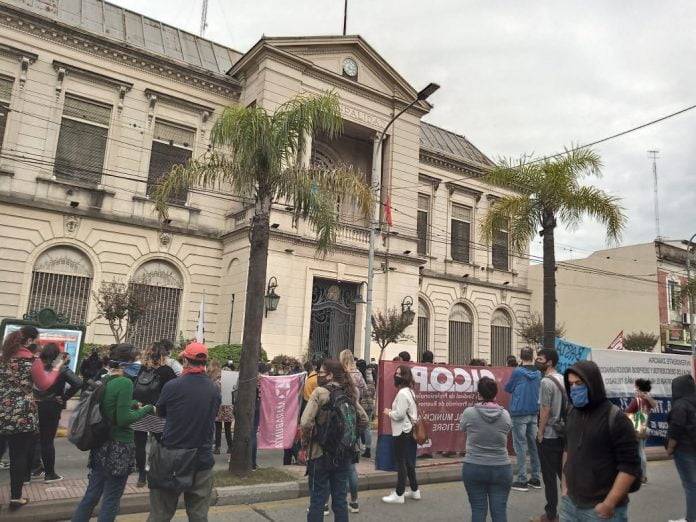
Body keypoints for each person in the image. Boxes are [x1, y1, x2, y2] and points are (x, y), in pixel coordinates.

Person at [72, 343, 154, 522]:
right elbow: (123, 419)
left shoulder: (106, 378)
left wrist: (131, 404)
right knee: (111, 500)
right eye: (137, 360)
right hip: (119, 447)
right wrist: (147, 408)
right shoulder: (125, 383)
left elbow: (109, 404)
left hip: (101, 444)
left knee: (91, 496)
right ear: (128, 362)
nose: (139, 364)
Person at [147, 342, 220, 522]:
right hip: (202, 458)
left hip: (172, 457)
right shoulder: (213, 388)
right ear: (204, 362)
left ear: (186, 360)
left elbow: (161, 413)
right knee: (198, 515)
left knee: (160, 514)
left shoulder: (172, 386)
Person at [561, 360, 641, 521]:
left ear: (592, 383)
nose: (574, 389)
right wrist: (564, 488)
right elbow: (567, 450)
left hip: (600, 510)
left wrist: (609, 504)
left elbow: (630, 466)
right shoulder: (572, 413)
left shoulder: (616, 418)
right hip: (569, 505)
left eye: (579, 383)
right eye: (571, 385)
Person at [0, 326, 64, 510]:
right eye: (37, 339)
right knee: (18, 456)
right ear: (29, 341)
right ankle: (15, 498)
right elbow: (44, 384)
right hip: (22, 415)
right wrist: (57, 368)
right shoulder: (31, 360)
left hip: (1, 411)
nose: (39, 343)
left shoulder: (2, 359)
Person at [301, 358, 368, 521]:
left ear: (330, 375)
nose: (318, 375)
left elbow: (305, 422)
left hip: (319, 453)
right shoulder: (349, 392)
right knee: (340, 500)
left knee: (317, 499)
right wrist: (350, 438)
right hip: (343, 453)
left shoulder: (320, 392)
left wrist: (305, 444)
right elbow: (364, 419)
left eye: (321, 372)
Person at [460, 376, 513, 522]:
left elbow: (462, 428)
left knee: (478, 509)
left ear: (479, 394)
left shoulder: (469, 413)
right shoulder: (505, 415)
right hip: (501, 467)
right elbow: (507, 431)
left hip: (474, 466)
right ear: (495, 394)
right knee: (500, 511)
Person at [131, 341, 177, 487]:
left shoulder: (141, 369)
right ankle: (163, 471)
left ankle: (141, 476)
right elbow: (174, 391)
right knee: (165, 443)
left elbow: (134, 387)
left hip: (140, 410)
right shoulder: (167, 371)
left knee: (139, 444)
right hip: (158, 411)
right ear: (164, 354)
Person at [34, 343, 83, 483]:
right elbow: (78, 383)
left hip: (34, 405)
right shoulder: (61, 369)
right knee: (47, 441)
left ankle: (29, 472)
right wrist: (64, 397)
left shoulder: (35, 365)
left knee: (31, 440)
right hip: (51, 406)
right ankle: (50, 474)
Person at [529, 348, 566, 522]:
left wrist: (540, 432)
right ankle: (570, 510)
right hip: (562, 433)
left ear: (549, 362)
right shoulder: (562, 379)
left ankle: (551, 514)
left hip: (550, 434)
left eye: (540, 358)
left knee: (549, 477)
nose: (537, 361)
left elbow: (545, 408)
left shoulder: (546, 382)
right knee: (563, 474)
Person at [382, 365, 421, 504]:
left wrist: (389, 413)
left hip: (402, 431)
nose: (396, 375)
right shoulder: (410, 391)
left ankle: (399, 494)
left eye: (399, 373)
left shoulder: (403, 393)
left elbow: (399, 415)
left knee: (401, 462)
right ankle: (415, 490)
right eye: (396, 372)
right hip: (409, 430)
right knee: (408, 461)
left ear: (404, 376)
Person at [504, 346, 541, 492]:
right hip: (533, 411)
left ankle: (522, 479)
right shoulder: (538, 373)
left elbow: (508, 388)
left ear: (521, 356)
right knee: (533, 446)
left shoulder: (518, 372)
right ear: (532, 356)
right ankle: (536, 478)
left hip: (519, 412)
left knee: (520, 447)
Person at [667, 374, 696, 522]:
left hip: (685, 450)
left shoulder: (680, 404)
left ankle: (691, 518)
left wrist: (670, 448)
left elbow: (676, 428)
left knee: (690, 485)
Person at [625, 378, 656, 483]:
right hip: (645, 428)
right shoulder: (647, 399)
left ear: (638, 387)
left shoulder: (637, 400)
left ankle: (642, 476)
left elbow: (628, 412)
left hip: (638, 428)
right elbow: (654, 405)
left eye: (635, 386)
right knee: (641, 451)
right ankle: (641, 475)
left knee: (640, 452)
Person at [209, 359, 233, 455]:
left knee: (218, 428)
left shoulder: (217, 382)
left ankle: (217, 447)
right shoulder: (230, 383)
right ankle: (230, 447)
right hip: (228, 406)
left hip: (219, 406)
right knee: (228, 428)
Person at [251, 362, 269, 470]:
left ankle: (251, 461)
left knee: (251, 434)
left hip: (251, 406)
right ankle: (253, 462)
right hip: (260, 406)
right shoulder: (266, 380)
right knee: (253, 433)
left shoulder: (253, 379)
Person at [356, 359, 375, 459]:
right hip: (370, 404)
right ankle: (368, 449)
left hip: (361, 405)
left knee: (358, 426)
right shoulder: (371, 378)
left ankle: (357, 448)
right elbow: (373, 391)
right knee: (367, 428)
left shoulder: (359, 378)